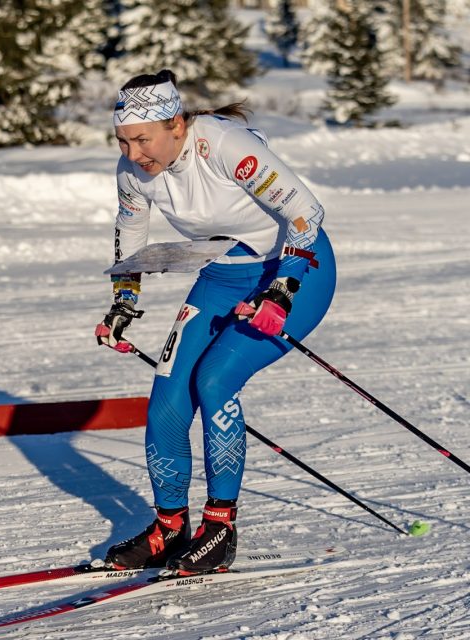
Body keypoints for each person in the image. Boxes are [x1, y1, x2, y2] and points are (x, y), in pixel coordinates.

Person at [95, 69, 337, 575]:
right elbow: (130, 232)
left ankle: (220, 528)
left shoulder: (223, 145)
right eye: (122, 141)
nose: (134, 153)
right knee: (166, 394)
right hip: (224, 273)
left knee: (214, 380)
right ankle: (168, 527)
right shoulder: (132, 171)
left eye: (142, 139)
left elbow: (306, 213)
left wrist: (282, 289)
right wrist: (123, 302)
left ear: (176, 125)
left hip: (298, 267)